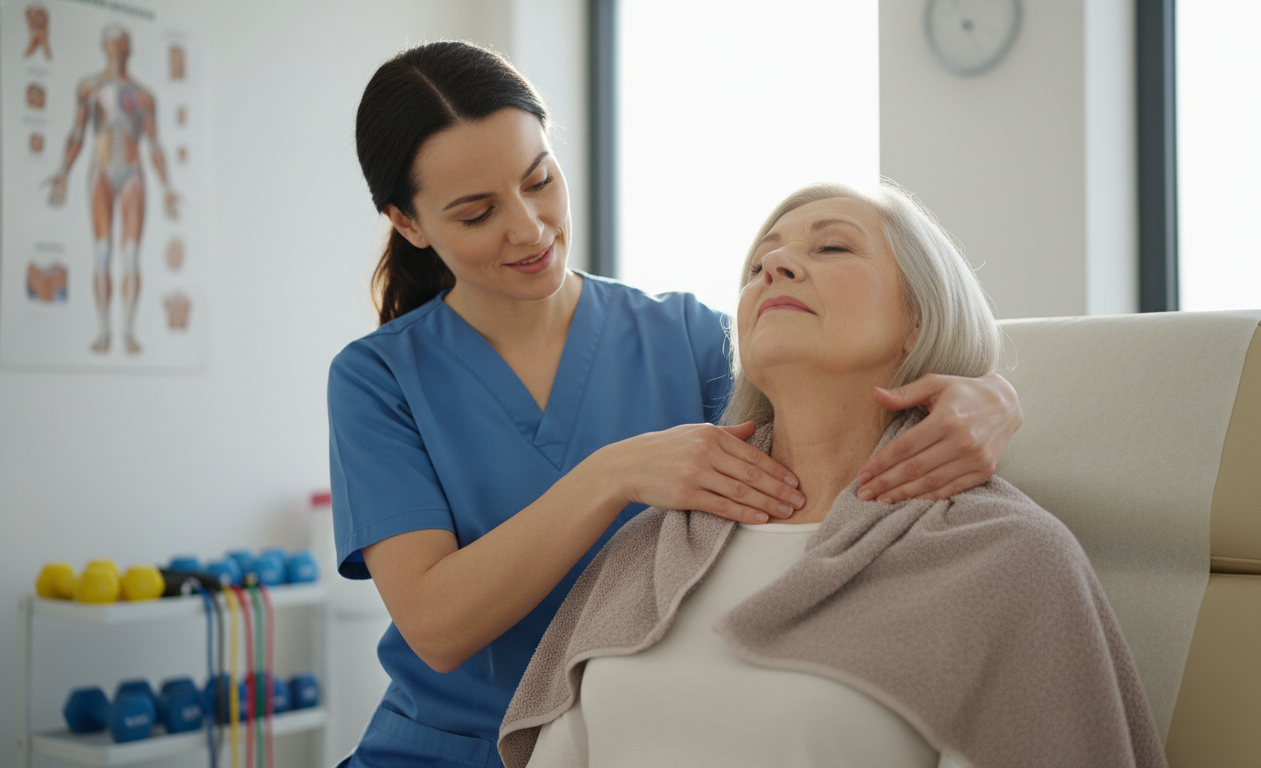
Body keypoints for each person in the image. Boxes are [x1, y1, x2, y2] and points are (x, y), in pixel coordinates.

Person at [329, 41, 1024, 767]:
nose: (529, 227)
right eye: (476, 214)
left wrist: (990, 397)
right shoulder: (378, 380)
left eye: (539, 180)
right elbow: (436, 628)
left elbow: (837, 412)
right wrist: (612, 476)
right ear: (407, 223)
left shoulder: (689, 340)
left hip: (633, 736)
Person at [499, 183, 1165, 768]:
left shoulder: (1006, 556)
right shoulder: (648, 549)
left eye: (832, 248)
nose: (773, 266)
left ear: (918, 320)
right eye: (760, 261)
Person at [47, 25, 179, 355]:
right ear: (104, 46)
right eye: (112, 44)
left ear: (129, 48)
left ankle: (129, 332)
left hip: (133, 170)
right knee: (103, 253)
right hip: (101, 170)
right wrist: (63, 171)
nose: (117, 49)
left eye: (122, 44)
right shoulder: (90, 88)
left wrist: (167, 188)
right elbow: (77, 134)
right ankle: (104, 331)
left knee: (131, 256)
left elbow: (154, 144)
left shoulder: (144, 95)